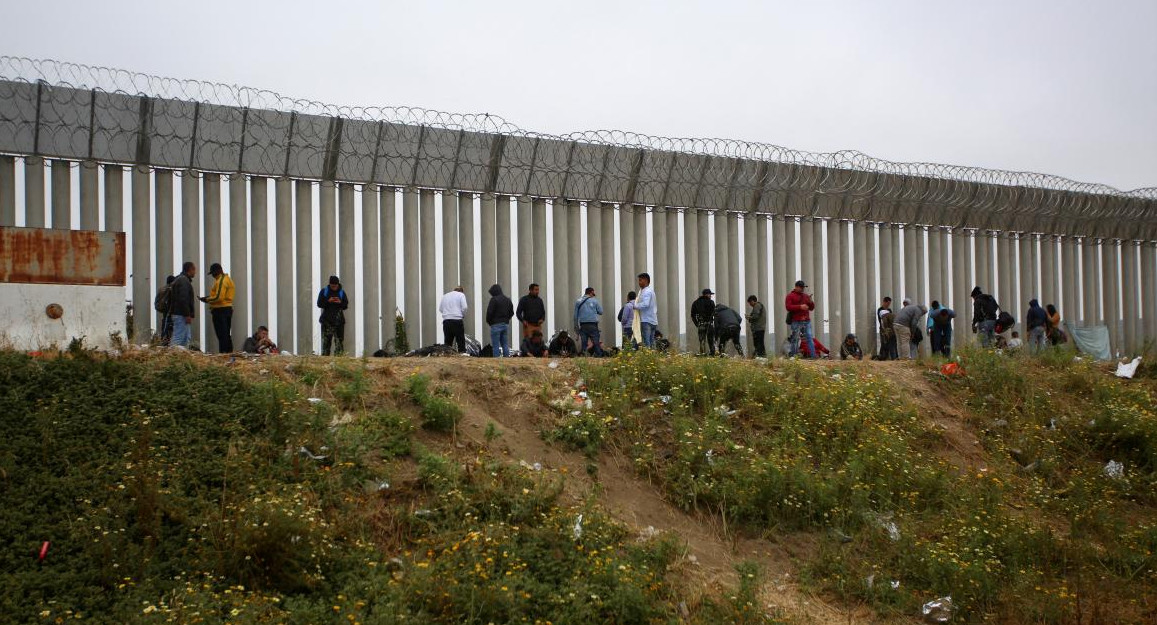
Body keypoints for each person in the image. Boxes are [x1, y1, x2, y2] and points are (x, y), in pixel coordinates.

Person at [200, 262, 234, 353]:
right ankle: (228, 353)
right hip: (227, 309)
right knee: (226, 334)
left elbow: (219, 297)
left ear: (219, 271)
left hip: (220, 310)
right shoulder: (227, 279)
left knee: (222, 335)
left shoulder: (221, 281)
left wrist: (207, 299)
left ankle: (223, 354)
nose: (213, 276)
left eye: (213, 273)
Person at [317, 275, 349, 356]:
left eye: (335, 286)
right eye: (332, 286)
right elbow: (319, 304)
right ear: (329, 284)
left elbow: (345, 306)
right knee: (326, 343)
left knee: (339, 342)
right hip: (326, 321)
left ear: (338, 284)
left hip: (339, 322)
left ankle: (339, 360)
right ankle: (325, 359)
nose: (334, 287)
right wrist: (328, 301)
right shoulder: (324, 292)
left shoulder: (342, 292)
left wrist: (340, 302)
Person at [784, 280, 816, 358]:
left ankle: (813, 356)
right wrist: (800, 307)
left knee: (809, 337)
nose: (802, 289)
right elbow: (788, 307)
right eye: (801, 287)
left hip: (806, 320)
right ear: (796, 287)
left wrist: (811, 302)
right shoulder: (790, 296)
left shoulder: (806, 296)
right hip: (796, 320)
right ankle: (794, 356)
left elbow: (811, 308)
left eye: (803, 287)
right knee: (795, 338)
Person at [169, 262, 197, 348]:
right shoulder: (184, 281)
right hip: (181, 315)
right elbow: (183, 299)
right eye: (194, 269)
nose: (195, 272)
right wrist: (187, 314)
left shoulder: (180, 279)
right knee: (178, 339)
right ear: (190, 269)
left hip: (180, 314)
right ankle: (170, 357)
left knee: (185, 339)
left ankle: (180, 358)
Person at [573, 287, 605, 357]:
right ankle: (599, 357)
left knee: (584, 343)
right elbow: (601, 312)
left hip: (583, 325)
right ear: (591, 292)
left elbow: (575, 317)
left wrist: (577, 330)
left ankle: (584, 357)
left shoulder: (578, 301)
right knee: (596, 342)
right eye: (593, 293)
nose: (594, 295)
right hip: (593, 325)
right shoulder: (594, 301)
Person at [486, 284, 514, 358]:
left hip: (495, 324)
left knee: (495, 345)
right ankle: (506, 358)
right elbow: (512, 312)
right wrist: (506, 319)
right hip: (505, 324)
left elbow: (489, 312)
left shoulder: (494, 299)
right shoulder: (508, 299)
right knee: (505, 344)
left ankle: (496, 360)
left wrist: (489, 322)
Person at [439, 286, 469, 353]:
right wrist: (462, 315)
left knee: (448, 341)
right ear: (461, 291)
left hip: (446, 321)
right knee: (460, 340)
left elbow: (440, 309)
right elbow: (465, 307)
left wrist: (447, 314)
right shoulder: (461, 295)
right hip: (457, 320)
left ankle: (447, 354)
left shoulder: (445, 296)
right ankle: (462, 353)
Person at [690, 288, 716, 356]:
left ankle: (703, 354)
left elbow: (693, 315)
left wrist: (697, 324)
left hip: (701, 324)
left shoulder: (695, 303)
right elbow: (715, 314)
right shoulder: (711, 302)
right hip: (709, 324)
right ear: (707, 294)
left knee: (702, 341)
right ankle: (712, 355)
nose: (710, 296)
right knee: (711, 341)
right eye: (710, 294)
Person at [635, 273, 658, 348]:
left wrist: (635, 306)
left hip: (646, 320)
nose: (639, 282)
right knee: (651, 342)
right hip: (653, 320)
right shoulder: (650, 291)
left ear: (646, 280)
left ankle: (648, 357)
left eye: (640, 280)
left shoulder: (646, 291)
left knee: (646, 342)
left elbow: (646, 304)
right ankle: (652, 357)